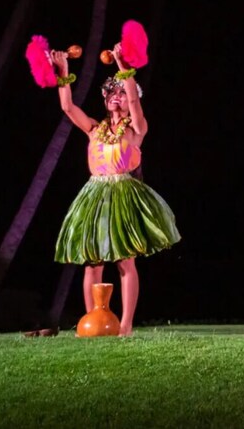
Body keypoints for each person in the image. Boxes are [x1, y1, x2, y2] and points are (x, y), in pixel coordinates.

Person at [52, 48, 180, 337]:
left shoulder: (135, 128)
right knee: (92, 263)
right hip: (94, 195)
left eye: (120, 92)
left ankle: (125, 326)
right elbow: (68, 108)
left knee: (125, 261)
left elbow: (134, 100)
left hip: (123, 194)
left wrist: (122, 63)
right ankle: (93, 322)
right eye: (112, 92)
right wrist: (63, 74)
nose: (116, 96)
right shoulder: (95, 129)